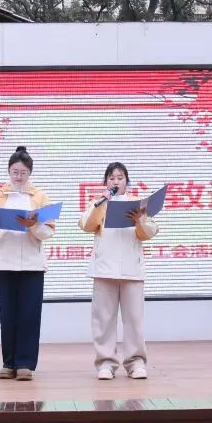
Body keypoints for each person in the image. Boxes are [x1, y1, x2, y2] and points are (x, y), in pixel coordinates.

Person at [0, 146, 55, 381]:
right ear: (9, 171)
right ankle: (9, 362)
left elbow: (48, 232)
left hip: (32, 264)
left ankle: (25, 364)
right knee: (8, 315)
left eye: (23, 172)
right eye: (15, 172)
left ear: (29, 173)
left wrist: (33, 225)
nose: (18, 177)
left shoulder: (40, 197)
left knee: (29, 315)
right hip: (2, 263)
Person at [78, 162, 158, 380]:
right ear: (106, 182)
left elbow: (150, 232)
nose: (116, 181)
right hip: (104, 270)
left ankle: (135, 362)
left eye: (120, 178)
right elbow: (85, 225)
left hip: (132, 270)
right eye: (111, 178)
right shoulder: (98, 202)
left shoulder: (138, 204)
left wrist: (139, 219)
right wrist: (100, 203)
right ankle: (106, 362)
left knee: (134, 320)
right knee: (103, 320)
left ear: (126, 182)